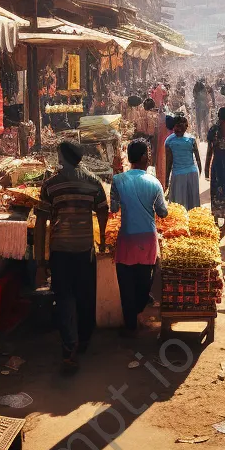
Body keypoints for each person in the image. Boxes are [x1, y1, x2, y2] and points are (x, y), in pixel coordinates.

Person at [39, 142, 109, 372]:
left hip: (60, 250)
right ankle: (84, 339)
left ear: (62, 157)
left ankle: (69, 346)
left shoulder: (51, 185)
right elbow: (102, 210)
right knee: (85, 295)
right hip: (84, 249)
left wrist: (41, 259)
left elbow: (41, 223)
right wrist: (103, 242)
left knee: (65, 297)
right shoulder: (93, 183)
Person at [110, 140, 168, 337]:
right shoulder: (155, 182)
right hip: (147, 240)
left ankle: (130, 325)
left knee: (126, 284)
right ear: (144, 157)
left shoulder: (117, 181)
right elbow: (163, 212)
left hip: (126, 239)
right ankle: (138, 310)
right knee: (144, 282)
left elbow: (114, 209)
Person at [165, 115, 203, 210]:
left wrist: (166, 179)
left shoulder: (169, 141)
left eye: (181, 127)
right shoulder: (190, 139)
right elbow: (197, 159)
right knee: (191, 203)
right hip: (185, 174)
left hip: (183, 174)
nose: (178, 129)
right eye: (177, 127)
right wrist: (200, 170)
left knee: (179, 205)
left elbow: (169, 163)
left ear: (186, 127)